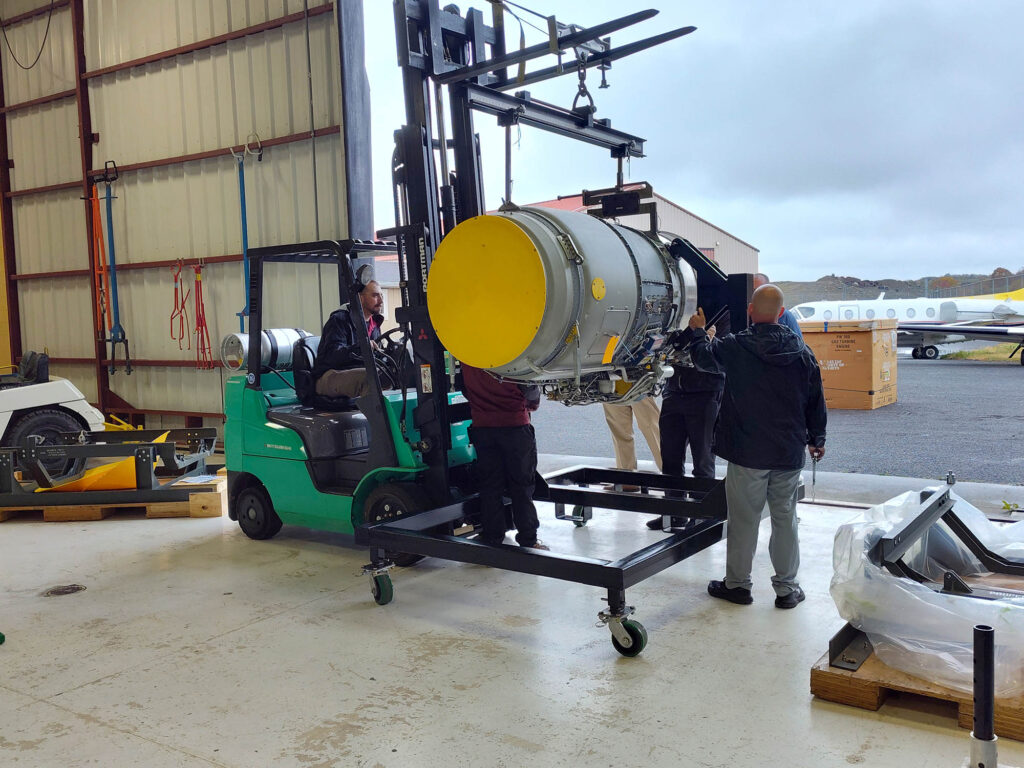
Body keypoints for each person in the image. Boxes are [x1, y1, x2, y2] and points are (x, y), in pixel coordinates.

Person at [688, 284, 827, 609]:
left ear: (751, 311)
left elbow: (704, 359)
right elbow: (816, 400)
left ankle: (737, 586)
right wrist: (816, 439)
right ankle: (787, 590)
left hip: (747, 453)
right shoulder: (802, 351)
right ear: (781, 314)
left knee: (744, 521)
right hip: (788, 454)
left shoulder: (737, 346)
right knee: (784, 519)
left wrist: (697, 333)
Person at [461, 364, 548, 550]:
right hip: (515, 426)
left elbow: (464, 388)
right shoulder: (507, 351)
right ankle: (528, 539)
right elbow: (529, 389)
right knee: (522, 485)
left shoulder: (466, 353)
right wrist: (532, 404)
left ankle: (492, 537)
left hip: (482, 428)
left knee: (490, 486)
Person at [647, 324, 724, 529]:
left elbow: (724, 355)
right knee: (670, 459)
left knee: (703, 459)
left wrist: (708, 338)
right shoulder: (678, 315)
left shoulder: (721, 312)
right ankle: (674, 512)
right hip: (674, 391)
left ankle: (701, 514)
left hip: (705, 393)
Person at [312, 280, 385, 399]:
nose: (381, 301)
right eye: (375, 295)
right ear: (360, 298)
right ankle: (374, 417)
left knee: (390, 375)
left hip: (355, 372)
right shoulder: (339, 320)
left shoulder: (374, 325)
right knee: (370, 378)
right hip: (331, 375)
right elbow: (332, 356)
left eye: (381, 295)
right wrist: (361, 348)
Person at [602, 398, 663, 491]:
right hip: (609, 384)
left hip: (637, 384)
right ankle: (627, 479)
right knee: (619, 428)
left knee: (650, 424)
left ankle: (672, 474)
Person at [753, 272, 803, 339]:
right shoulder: (746, 314)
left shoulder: (785, 316)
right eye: (753, 290)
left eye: (760, 290)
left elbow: (799, 344)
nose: (756, 294)